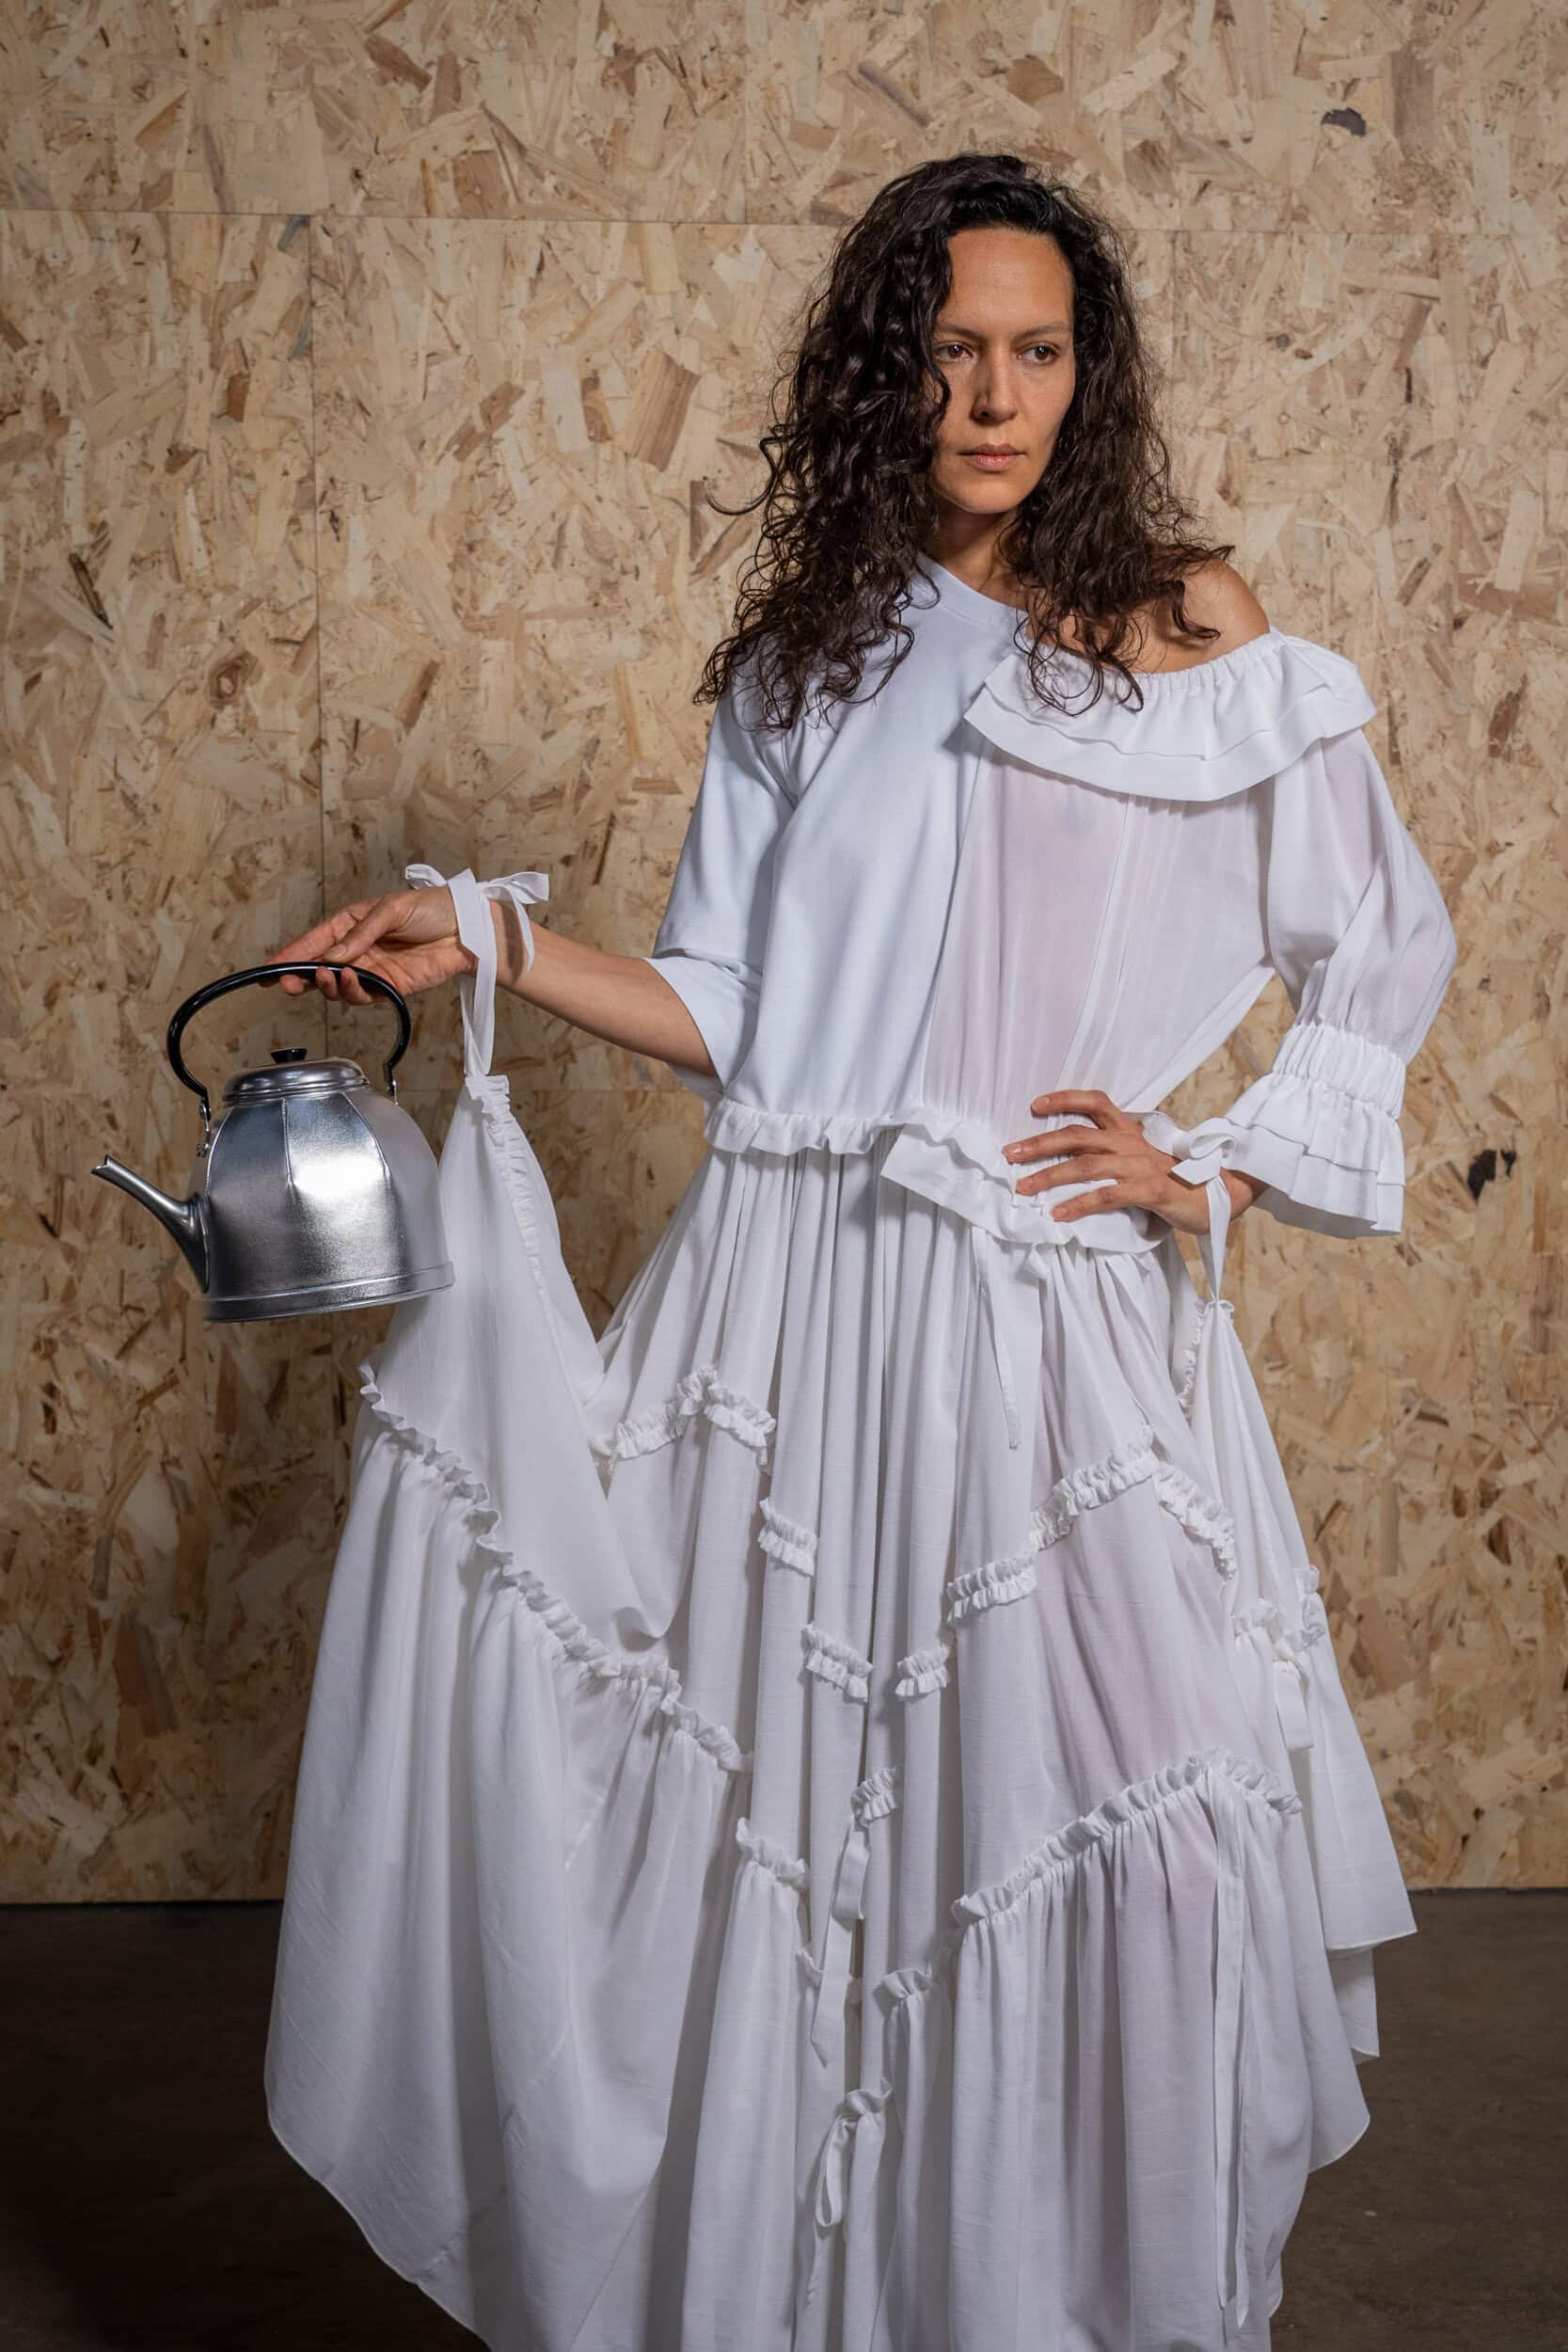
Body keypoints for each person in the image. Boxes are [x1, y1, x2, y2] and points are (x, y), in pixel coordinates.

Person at [260, 153, 1458, 2352]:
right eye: (952, 351)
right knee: (782, 1859)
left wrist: (1215, 1170)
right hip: (793, 1302)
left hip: (1034, 1309)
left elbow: (1377, 935)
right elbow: (736, 1004)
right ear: (884, 371)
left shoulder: (1183, 621)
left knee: (1132, 1826)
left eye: (1038, 351)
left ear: (1086, 374)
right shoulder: (805, 664)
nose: (994, 397)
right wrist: (491, 940)